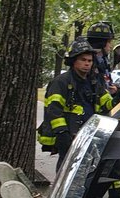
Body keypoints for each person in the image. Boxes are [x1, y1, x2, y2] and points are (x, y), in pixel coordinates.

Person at [38, 39, 115, 171]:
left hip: (88, 134)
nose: (87, 64)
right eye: (83, 60)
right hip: (69, 135)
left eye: (89, 61)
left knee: (85, 173)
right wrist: (62, 134)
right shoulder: (61, 82)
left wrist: (117, 97)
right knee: (66, 172)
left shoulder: (94, 82)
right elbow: (54, 110)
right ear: (74, 61)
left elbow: (106, 104)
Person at [85, 21, 120, 198]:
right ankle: (93, 195)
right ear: (103, 43)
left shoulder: (101, 62)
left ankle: (116, 194)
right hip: (97, 117)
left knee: (114, 153)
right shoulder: (92, 63)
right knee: (101, 156)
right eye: (109, 42)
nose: (110, 46)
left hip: (104, 114)